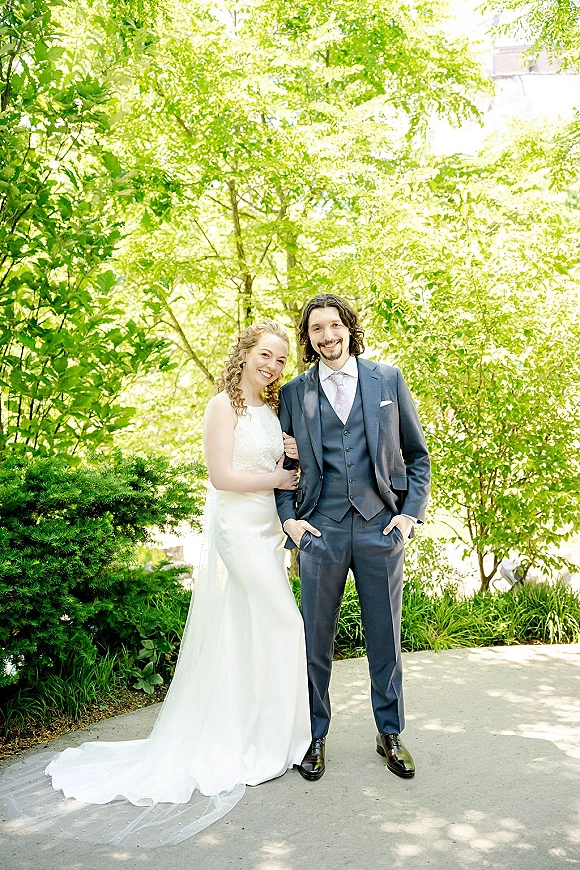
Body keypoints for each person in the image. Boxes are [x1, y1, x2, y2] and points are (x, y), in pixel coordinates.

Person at [0, 321, 311, 848]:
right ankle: (279, 741)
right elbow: (221, 477)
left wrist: (293, 463)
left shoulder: (275, 410)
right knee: (285, 623)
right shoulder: (223, 407)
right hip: (237, 529)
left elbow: (283, 468)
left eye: (281, 360)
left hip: (268, 527)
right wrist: (277, 478)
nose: (273, 366)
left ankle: (264, 733)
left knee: (252, 629)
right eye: (265, 354)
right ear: (245, 353)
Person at [275, 294, 430, 782]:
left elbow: (417, 455)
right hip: (320, 528)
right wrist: (289, 521)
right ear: (309, 337)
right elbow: (283, 466)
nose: (327, 336)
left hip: (379, 526)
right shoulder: (295, 393)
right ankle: (313, 737)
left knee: (386, 636)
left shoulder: (387, 379)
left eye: (334, 326)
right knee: (314, 640)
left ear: (349, 327)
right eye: (316, 329)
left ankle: (389, 732)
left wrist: (408, 516)